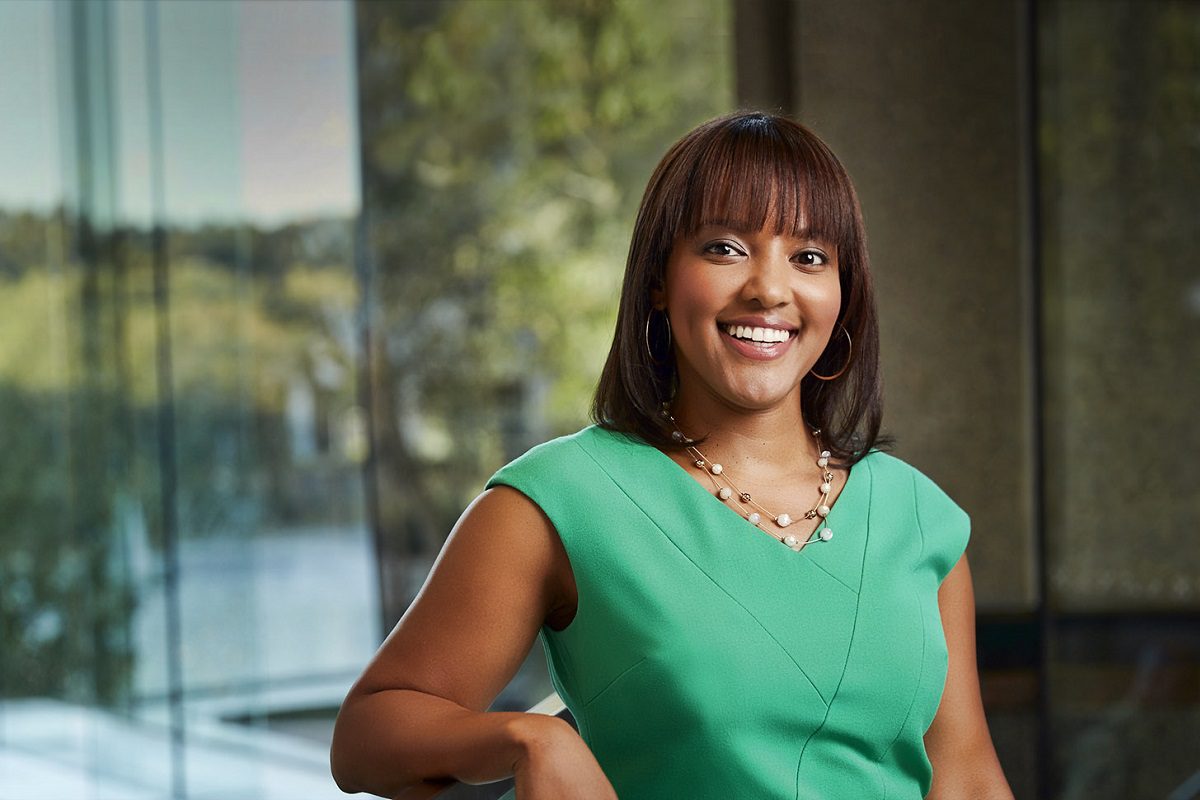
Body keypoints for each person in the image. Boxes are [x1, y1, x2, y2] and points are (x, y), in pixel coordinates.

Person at [330, 111, 1014, 799]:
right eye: (725, 248)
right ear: (659, 279)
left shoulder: (920, 518)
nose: (769, 290)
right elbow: (366, 738)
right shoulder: (562, 500)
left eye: (809, 257)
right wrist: (530, 737)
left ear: (844, 294)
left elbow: (969, 780)